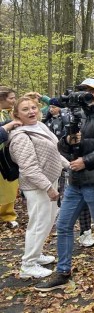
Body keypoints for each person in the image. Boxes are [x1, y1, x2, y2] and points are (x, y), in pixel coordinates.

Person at [35, 78, 94, 292]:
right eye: (83, 90)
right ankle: (63, 271)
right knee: (64, 225)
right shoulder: (78, 114)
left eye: (92, 90)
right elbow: (62, 147)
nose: (87, 94)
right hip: (76, 181)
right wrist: (69, 142)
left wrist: (86, 161)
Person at [8, 96, 70, 279]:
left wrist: (68, 165)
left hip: (50, 180)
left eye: (34, 107)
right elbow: (29, 167)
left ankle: (36, 254)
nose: (31, 111)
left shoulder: (40, 126)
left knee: (47, 222)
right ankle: (28, 265)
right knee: (38, 224)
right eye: (25, 109)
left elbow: (53, 151)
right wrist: (48, 188)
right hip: (37, 187)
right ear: (16, 114)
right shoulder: (20, 135)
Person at [43, 98, 94, 247]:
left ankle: (86, 232)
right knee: (65, 197)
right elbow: (59, 145)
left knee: (84, 203)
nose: (51, 109)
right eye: (50, 107)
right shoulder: (46, 122)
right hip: (60, 163)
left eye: (55, 106)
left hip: (80, 164)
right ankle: (65, 229)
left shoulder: (86, 118)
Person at [0, 85, 19, 229]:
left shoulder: (8, 113)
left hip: (6, 158)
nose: (14, 101)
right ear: (2, 99)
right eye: (11, 98)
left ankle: (8, 215)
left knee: (10, 186)